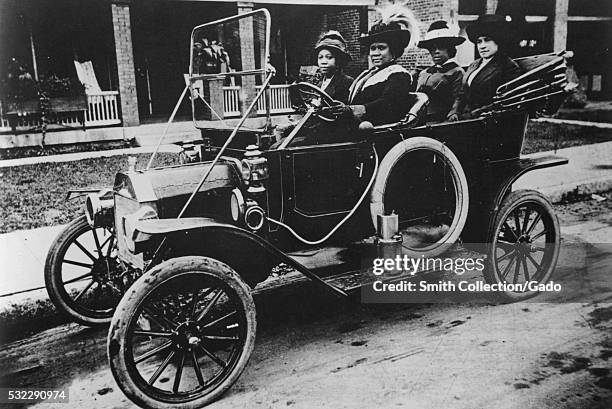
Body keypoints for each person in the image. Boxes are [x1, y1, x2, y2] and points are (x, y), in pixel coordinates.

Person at [326, 4, 419, 126]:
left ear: (394, 50)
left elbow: (389, 103)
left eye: (381, 48)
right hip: (355, 124)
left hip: (375, 130)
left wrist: (352, 110)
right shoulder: (368, 74)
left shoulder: (399, 74)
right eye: (372, 48)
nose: (375, 53)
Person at [454, 14, 523, 120]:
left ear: (499, 40)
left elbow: (503, 101)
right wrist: (454, 112)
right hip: (463, 118)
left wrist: (471, 116)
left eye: (487, 40)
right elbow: (462, 93)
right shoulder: (474, 64)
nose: (482, 46)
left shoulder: (508, 66)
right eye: (479, 41)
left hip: (487, 121)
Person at [416, 21, 465, 123]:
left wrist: (453, 114)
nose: (436, 51)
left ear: (449, 48)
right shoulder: (424, 72)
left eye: (441, 47)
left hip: (441, 121)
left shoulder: (456, 72)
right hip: (420, 119)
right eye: (432, 48)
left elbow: (459, 98)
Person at [312, 31, 354, 103]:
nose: (323, 62)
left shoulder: (346, 82)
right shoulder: (319, 83)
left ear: (338, 61)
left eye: (329, 57)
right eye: (320, 57)